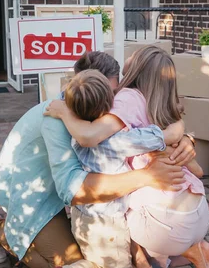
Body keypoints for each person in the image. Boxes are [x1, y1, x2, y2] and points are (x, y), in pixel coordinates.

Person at [0, 51, 196, 267]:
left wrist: (183, 137)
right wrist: (146, 176)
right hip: (34, 194)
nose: (110, 107)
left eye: (113, 96)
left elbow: (142, 131)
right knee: (67, 262)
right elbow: (72, 190)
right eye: (105, 98)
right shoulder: (55, 121)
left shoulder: (92, 111)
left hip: (70, 196)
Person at [45, 46, 209, 268]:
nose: (129, 55)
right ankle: (193, 251)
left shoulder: (124, 101)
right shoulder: (162, 104)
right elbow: (198, 171)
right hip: (199, 213)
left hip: (151, 223)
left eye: (135, 54)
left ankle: (186, 249)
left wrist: (64, 111)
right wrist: (177, 134)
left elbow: (90, 137)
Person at [62, 69, 184, 268]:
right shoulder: (117, 140)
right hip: (108, 224)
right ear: (110, 103)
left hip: (80, 216)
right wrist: (178, 122)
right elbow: (162, 136)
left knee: (96, 259)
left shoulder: (75, 132)